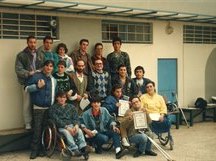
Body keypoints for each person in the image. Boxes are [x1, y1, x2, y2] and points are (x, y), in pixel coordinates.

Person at [25, 60, 57, 159]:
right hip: (38, 108)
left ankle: (43, 149)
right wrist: (37, 87)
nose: (48, 68)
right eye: (47, 65)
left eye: (51, 66)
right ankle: (35, 150)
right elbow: (26, 88)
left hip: (49, 108)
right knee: (37, 130)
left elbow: (54, 94)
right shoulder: (36, 76)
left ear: (53, 68)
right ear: (43, 67)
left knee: (45, 130)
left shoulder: (53, 80)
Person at [49, 91, 89, 160]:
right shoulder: (53, 108)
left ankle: (83, 147)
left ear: (66, 99)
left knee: (79, 131)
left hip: (72, 125)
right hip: (61, 127)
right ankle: (74, 149)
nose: (62, 99)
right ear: (57, 98)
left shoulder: (71, 107)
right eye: (60, 97)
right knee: (67, 133)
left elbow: (76, 118)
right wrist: (67, 127)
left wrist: (76, 125)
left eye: (64, 97)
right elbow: (56, 120)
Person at [15, 35, 43, 130]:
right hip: (26, 82)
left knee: (37, 103)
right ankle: (28, 123)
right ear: (27, 43)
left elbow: (44, 66)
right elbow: (18, 70)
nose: (33, 44)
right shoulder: (21, 55)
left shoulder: (40, 54)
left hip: (37, 81)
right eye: (31, 42)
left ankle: (36, 123)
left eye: (34, 42)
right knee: (27, 104)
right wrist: (29, 73)